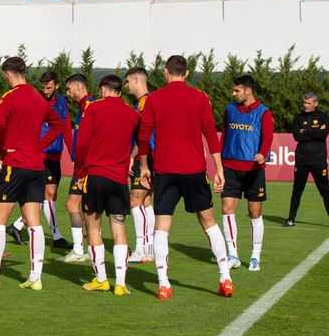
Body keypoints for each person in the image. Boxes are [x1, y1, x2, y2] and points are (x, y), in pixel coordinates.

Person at [137, 54, 233, 300]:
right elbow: (210, 133)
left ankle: (163, 283)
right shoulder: (200, 97)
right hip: (194, 170)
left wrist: (145, 166)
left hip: (166, 171)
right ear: (187, 73)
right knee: (208, 222)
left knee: (162, 226)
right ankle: (225, 277)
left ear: (166, 73)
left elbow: (144, 134)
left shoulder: (154, 98)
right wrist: (219, 169)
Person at [0, 56, 65, 291]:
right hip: (37, 167)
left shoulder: (10, 97)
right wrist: (39, 146)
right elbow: (59, 125)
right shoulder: (40, 99)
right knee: (33, 222)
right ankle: (35, 277)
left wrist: (1, 149)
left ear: (8, 74)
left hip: (16, 163)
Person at [76, 75, 140, 295]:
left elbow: (82, 142)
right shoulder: (133, 113)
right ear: (120, 91)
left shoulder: (93, 109)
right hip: (119, 178)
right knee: (119, 227)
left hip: (95, 175)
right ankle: (120, 284)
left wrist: (80, 171)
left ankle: (101, 279)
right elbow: (143, 142)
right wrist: (132, 158)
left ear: (103, 89)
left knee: (93, 226)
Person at [8, 70, 72, 249]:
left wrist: (73, 153)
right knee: (48, 196)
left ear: (56, 86)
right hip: (38, 156)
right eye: (43, 87)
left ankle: (17, 226)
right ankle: (57, 236)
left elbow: (66, 127)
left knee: (46, 196)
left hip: (54, 155)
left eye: (49, 87)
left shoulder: (62, 102)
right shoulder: (35, 100)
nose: (45, 91)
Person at [219, 75, 272, 271]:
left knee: (254, 212)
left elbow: (268, 137)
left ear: (248, 91)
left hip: (253, 170)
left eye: (237, 90)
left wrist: (263, 154)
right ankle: (232, 254)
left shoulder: (263, 112)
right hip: (230, 168)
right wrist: (219, 166)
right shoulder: (230, 109)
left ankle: (255, 256)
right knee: (227, 209)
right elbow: (224, 134)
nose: (233, 94)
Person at [59, 74, 94, 263]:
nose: (67, 93)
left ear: (78, 87)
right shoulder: (84, 107)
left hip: (85, 167)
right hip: (83, 166)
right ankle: (86, 249)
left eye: (68, 88)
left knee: (73, 204)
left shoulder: (89, 107)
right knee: (88, 208)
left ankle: (80, 249)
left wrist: (83, 167)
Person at [124, 68, 156, 263]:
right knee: (145, 202)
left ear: (136, 80)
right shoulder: (143, 102)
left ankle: (140, 248)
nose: (126, 86)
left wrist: (133, 157)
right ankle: (150, 249)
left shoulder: (145, 103)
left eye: (127, 82)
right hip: (149, 157)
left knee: (135, 201)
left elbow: (143, 135)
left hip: (144, 158)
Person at [285, 92, 329, 226]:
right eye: (304, 103)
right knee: (297, 190)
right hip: (302, 160)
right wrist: (314, 132)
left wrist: (306, 130)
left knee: (325, 190)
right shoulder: (298, 117)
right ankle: (291, 219)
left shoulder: (323, 116)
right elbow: (297, 137)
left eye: (309, 103)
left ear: (315, 103)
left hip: (318, 159)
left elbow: (323, 135)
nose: (305, 105)